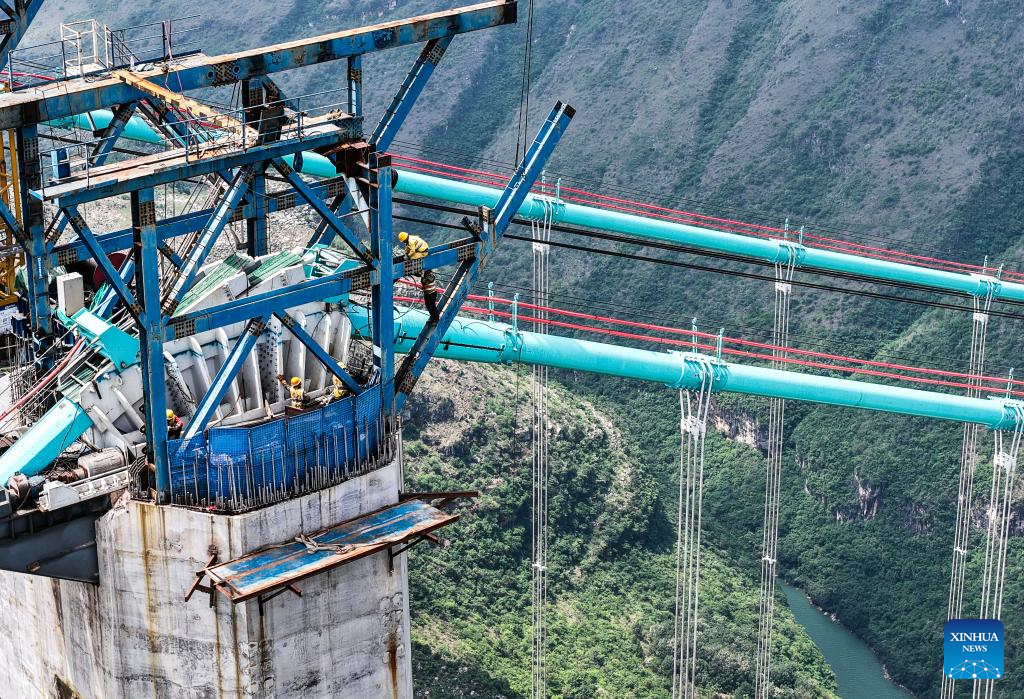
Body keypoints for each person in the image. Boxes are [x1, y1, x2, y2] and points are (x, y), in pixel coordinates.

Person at [398, 231, 439, 322]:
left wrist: (408, 257)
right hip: (428, 293)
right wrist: (406, 253)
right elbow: (408, 248)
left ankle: (435, 318)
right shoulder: (410, 240)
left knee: (431, 305)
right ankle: (433, 317)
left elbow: (424, 281)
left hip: (431, 293)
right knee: (428, 305)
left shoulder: (430, 276)